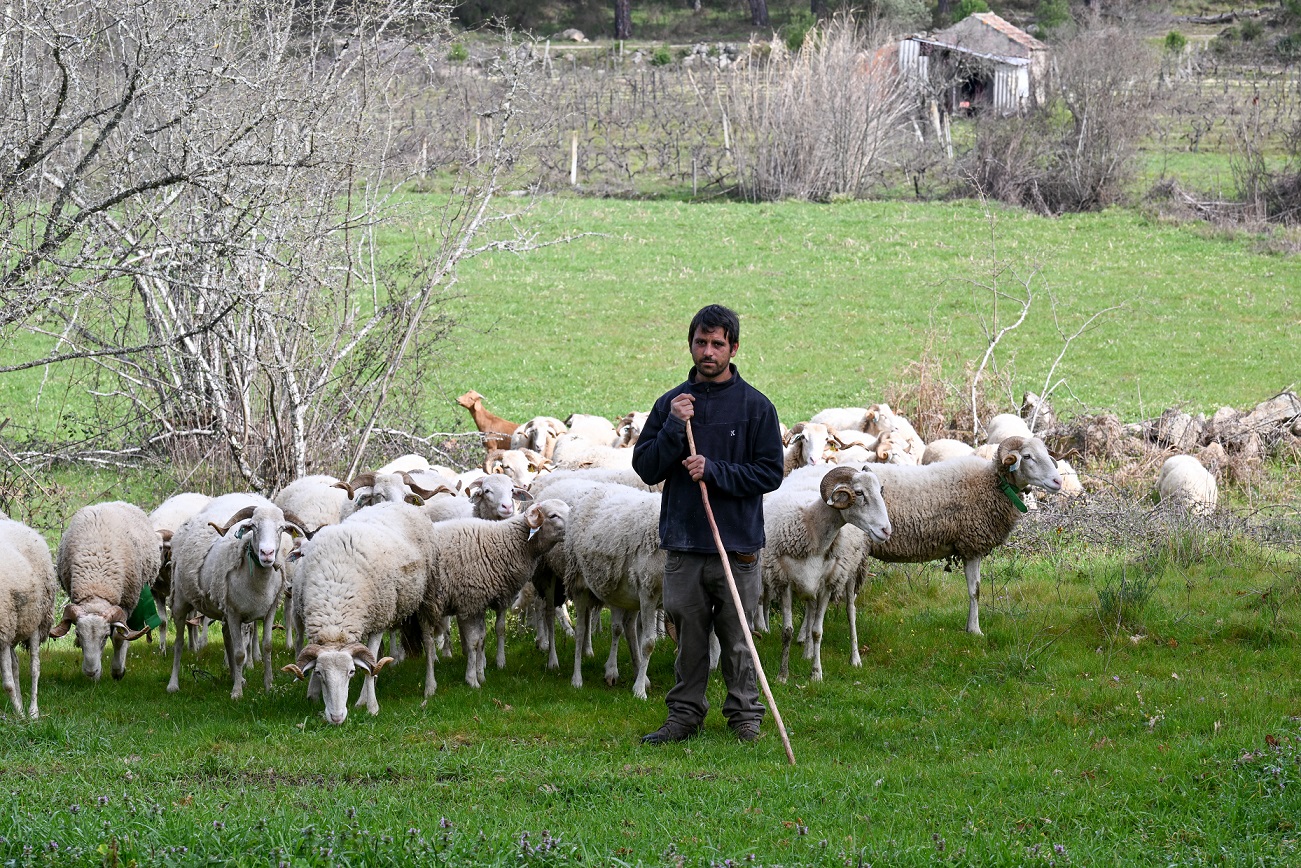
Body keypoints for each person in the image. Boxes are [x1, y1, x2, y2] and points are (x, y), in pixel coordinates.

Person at [631, 304, 784, 744]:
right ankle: (684, 717)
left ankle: (745, 718)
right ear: (691, 344)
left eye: (718, 343)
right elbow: (646, 467)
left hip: (737, 546)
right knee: (689, 638)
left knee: (738, 639)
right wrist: (675, 429)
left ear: (733, 348)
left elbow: (769, 473)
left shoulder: (756, 407)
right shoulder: (671, 404)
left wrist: (714, 470)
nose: (709, 351)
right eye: (702, 342)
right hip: (684, 544)